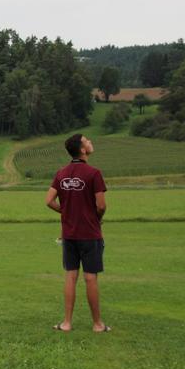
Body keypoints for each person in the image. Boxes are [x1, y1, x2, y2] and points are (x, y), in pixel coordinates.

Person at [45, 134, 110, 333]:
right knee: (90, 278)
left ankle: (66, 323)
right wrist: (96, 218)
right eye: (87, 140)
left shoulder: (61, 173)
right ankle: (97, 324)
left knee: (70, 277)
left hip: (69, 233)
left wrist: (66, 212)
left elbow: (49, 201)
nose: (90, 142)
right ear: (82, 150)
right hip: (90, 233)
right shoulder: (94, 173)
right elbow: (101, 205)